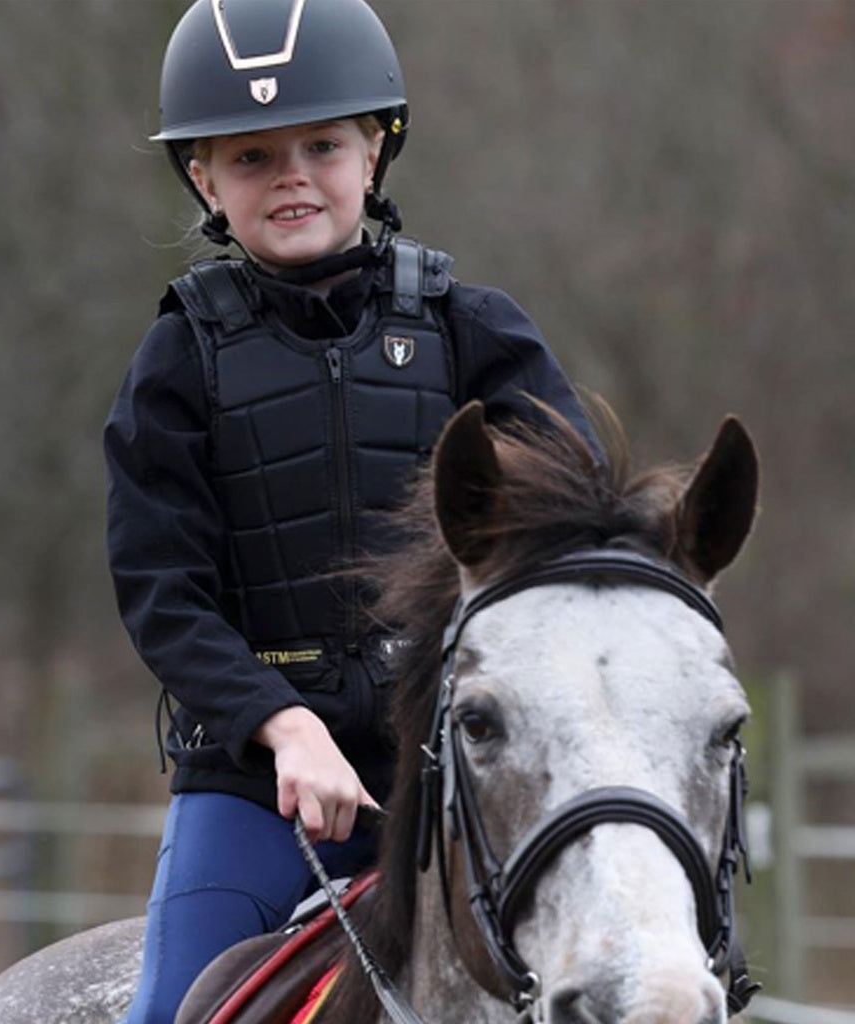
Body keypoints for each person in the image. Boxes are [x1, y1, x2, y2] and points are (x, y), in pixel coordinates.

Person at [103, 1, 601, 1021]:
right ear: (203, 179)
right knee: (167, 1013)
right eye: (250, 156)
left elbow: (576, 515)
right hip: (254, 789)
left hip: (459, 774)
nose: (291, 174)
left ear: (374, 151)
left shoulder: (475, 330)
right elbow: (162, 594)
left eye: (322, 144)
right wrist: (280, 727)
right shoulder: (176, 362)